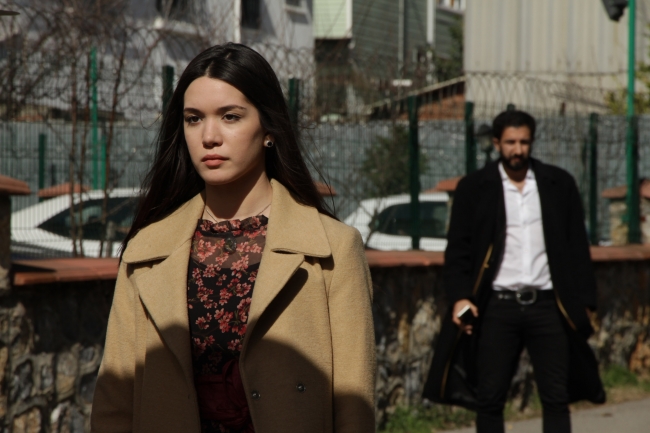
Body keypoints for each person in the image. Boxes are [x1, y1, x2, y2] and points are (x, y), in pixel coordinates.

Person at [91, 43, 376, 433]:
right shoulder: (147, 251)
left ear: (269, 129)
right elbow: (115, 398)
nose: (209, 136)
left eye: (230, 116)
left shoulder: (332, 249)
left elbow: (354, 403)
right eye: (193, 119)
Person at [423, 110, 604, 433]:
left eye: (524, 142)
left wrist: (586, 302)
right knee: (490, 398)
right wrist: (460, 297)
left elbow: (578, 247)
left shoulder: (558, 184)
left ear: (532, 142)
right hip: (496, 307)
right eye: (510, 142)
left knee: (556, 396)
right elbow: (458, 250)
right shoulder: (474, 188)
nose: (517, 150)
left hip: (548, 305)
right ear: (496, 143)